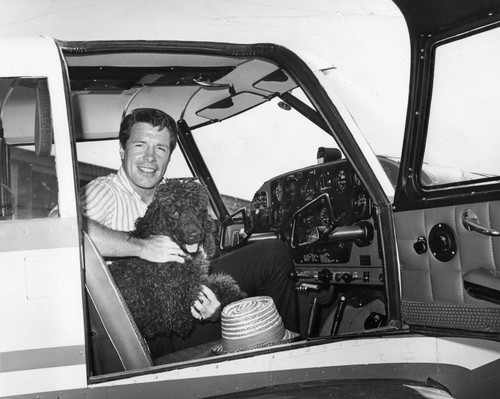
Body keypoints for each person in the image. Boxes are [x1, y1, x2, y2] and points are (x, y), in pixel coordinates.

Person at [81, 107, 299, 358]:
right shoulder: (105, 191)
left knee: (265, 265)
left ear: (168, 158)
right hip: (143, 334)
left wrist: (215, 311)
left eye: (160, 149)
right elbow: (62, 230)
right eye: (140, 145)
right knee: (273, 256)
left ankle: (281, 348)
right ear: (122, 150)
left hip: (183, 303)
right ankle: (291, 358)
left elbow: (198, 268)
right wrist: (142, 247)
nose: (150, 158)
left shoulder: (169, 198)